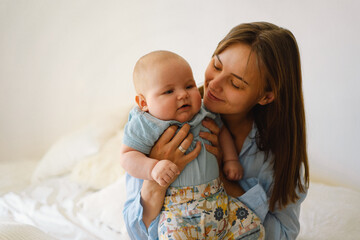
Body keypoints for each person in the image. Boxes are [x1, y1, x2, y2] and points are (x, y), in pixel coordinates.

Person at [123, 21, 309, 240]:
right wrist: (155, 180)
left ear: (265, 96)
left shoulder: (279, 156)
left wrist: (222, 180)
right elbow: (137, 233)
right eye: (217, 66)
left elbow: (284, 235)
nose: (214, 85)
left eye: (236, 84)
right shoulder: (162, 121)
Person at [120, 50, 263, 239]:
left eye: (189, 86)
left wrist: (230, 159)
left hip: (218, 203)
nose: (183, 95)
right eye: (169, 91)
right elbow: (127, 156)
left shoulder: (204, 111)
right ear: (144, 102)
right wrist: (153, 168)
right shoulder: (146, 124)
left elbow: (221, 133)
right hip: (179, 213)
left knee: (252, 227)